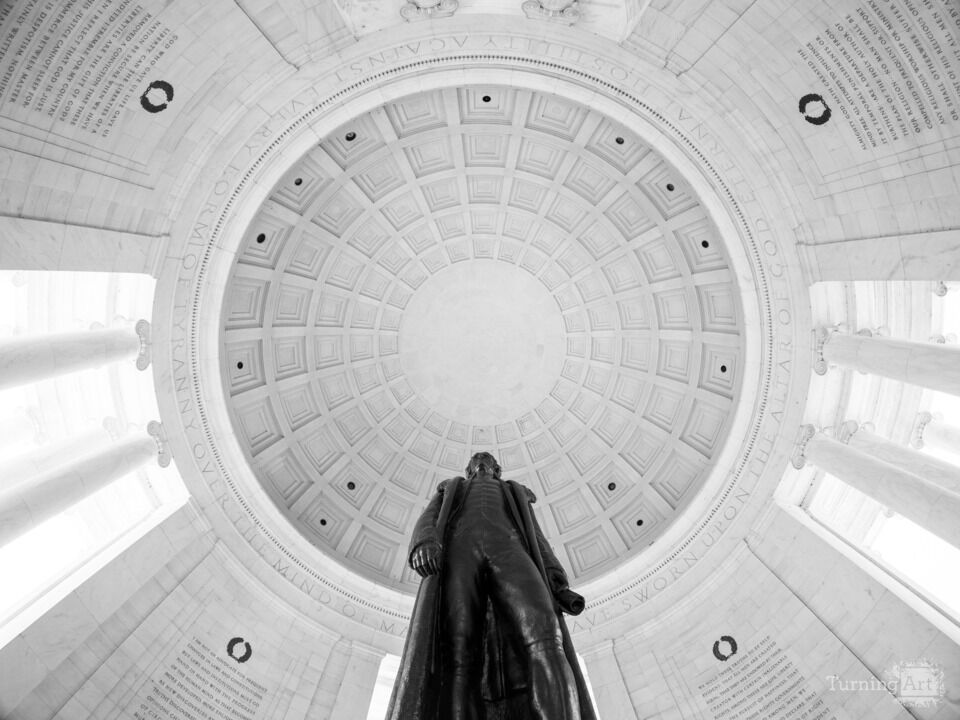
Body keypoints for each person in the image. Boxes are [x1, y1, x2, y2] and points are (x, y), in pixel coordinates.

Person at [386, 452, 597, 720]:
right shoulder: (451, 487)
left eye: (487, 461)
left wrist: (556, 581)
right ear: (468, 469)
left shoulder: (515, 491)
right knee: (457, 651)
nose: (481, 462)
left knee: (546, 632)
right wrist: (424, 541)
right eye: (476, 460)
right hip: (460, 549)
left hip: (509, 547)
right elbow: (429, 517)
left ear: (497, 469)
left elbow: (538, 538)